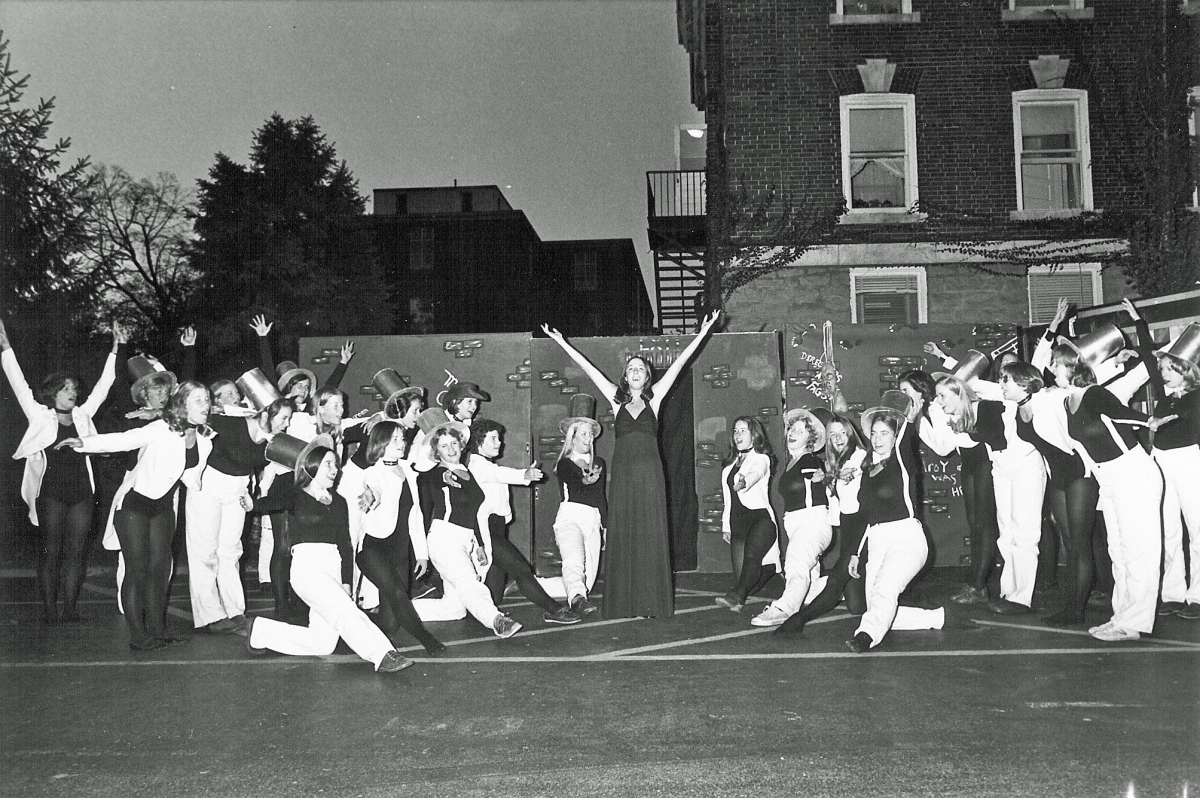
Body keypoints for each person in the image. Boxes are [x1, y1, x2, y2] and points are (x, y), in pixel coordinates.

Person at [541, 310, 721, 619]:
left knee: (650, 534)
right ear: (625, 377)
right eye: (631, 368)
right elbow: (590, 368)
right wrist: (562, 342)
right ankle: (624, 603)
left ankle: (652, 603)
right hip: (624, 474)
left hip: (651, 473)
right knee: (625, 533)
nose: (636, 371)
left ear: (647, 376)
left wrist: (703, 333)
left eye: (641, 368)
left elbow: (679, 364)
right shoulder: (615, 400)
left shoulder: (656, 398)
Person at [57, 381, 215, 651]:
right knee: (137, 570)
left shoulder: (202, 440)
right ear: (183, 403)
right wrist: (84, 443)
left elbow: (191, 478)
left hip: (163, 508)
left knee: (159, 571)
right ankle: (138, 636)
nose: (207, 405)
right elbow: (124, 439)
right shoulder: (161, 428)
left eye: (208, 400)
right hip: (134, 506)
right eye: (200, 400)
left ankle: (158, 630)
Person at [242, 434, 413, 672]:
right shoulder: (295, 494)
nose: (335, 469)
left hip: (332, 568)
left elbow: (345, 546)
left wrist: (346, 581)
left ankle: (260, 632)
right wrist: (253, 506)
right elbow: (274, 502)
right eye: (328, 464)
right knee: (345, 611)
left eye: (336, 464)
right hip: (308, 569)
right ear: (311, 467)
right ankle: (382, 654)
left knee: (323, 643)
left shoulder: (340, 501)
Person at [0, 320, 123, 623]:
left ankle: (69, 606)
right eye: (66, 389)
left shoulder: (83, 416)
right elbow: (19, 384)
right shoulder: (39, 416)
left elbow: (103, 388)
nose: (73, 392)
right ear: (53, 393)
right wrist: (5, 348)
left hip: (82, 492)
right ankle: (50, 609)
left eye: (74, 388)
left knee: (77, 552)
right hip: (51, 493)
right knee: (51, 551)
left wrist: (116, 351)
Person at [1056, 331, 1164, 642]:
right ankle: (1121, 617)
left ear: (1073, 367)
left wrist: (1149, 421)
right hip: (1110, 480)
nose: (1052, 369)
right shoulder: (1067, 401)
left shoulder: (1094, 394)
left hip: (1134, 475)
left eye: (1057, 363)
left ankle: (1135, 623)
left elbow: (1123, 414)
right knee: (1118, 552)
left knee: (1138, 552)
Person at [844, 392, 951, 653]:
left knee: (884, 589)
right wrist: (856, 554)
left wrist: (910, 420)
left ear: (895, 436)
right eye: (875, 433)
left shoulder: (902, 463)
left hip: (907, 538)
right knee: (878, 604)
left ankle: (865, 637)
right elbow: (865, 516)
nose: (878, 439)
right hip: (877, 539)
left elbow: (905, 440)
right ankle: (939, 618)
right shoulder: (868, 471)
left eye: (885, 433)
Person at [935, 373, 1048, 615]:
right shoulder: (968, 413)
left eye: (942, 396)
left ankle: (1021, 598)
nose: (939, 401)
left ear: (958, 393)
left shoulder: (990, 407)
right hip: (1002, 468)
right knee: (1006, 534)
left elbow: (990, 434)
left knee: (1025, 535)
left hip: (1026, 468)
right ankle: (1010, 592)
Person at [411, 419, 523, 638]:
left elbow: (475, 513)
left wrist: (479, 544)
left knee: (454, 609)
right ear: (437, 452)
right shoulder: (437, 474)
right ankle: (497, 620)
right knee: (468, 581)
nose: (451, 449)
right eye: (444, 446)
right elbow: (435, 478)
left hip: (466, 539)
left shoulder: (466, 472)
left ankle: (398, 608)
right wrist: (444, 475)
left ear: (461, 445)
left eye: (453, 443)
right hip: (444, 539)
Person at [468, 418, 581, 625]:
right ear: (478, 441)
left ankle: (482, 615)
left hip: (496, 529)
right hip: (486, 532)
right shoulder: (477, 465)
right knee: (521, 571)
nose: (499, 443)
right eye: (493, 438)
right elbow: (500, 474)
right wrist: (524, 474)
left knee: (494, 596)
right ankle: (553, 609)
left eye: (499, 438)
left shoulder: (486, 465)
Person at [773, 414, 869, 636]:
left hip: (865, 529)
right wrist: (827, 475)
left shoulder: (860, 456)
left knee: (833, 581)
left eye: (842, 433)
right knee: (856, 605)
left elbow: (848, 473)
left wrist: (826, 475)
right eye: (832, 434)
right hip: (848, 530)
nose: (837, 438)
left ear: (851, 434)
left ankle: (794, 617)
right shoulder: (835, 462)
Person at [356, 421, 446, 656]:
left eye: (402, 438)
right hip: (373, 548)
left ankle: (347, 621)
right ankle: (428, 640)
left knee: (390, 623)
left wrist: (422, 555)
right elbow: (373, 488)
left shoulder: (409, 470)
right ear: (380, 443)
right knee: (397, 594)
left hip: (399, 550)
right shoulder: (372, 472)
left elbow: (415, 516)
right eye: (394, 439)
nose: (401, 443)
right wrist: (370, 497)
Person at [749, 409, 828, 626]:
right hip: (798, 526)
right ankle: (845, 582)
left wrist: (825, 474)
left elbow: (822, 473)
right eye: (792, 428)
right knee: (810, 589)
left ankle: (784, 608)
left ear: (810, 439)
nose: (792, 433)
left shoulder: (810, 460)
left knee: (795, 566)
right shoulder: (792, 462)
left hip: (812, 523)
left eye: (800, 431)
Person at [535, 394, 608, 614]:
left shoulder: (599, 463)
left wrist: (605, 527)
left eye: (590, 434)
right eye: (583, 434)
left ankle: (532, 584)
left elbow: (600, 497)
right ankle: (576, 600)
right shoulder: (564, 464)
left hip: (592, 519)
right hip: (570, 518)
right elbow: (578, 482)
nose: (588, 438)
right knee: (574, 561)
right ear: (573, 437)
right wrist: (587, 478)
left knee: (587, 581)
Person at [714, 416, 781, 612]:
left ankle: (737, 597)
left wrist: (744, 482)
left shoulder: (762, 458)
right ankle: (769, 571)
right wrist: (726, 526)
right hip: (737, 524)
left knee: (751, 561)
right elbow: (728, 500)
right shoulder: (729, 466)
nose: (738, 435)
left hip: (759, 520)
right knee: (746, 579)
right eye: (735, 431)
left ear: (754, 435)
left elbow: (756, 473)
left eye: (743, 430)